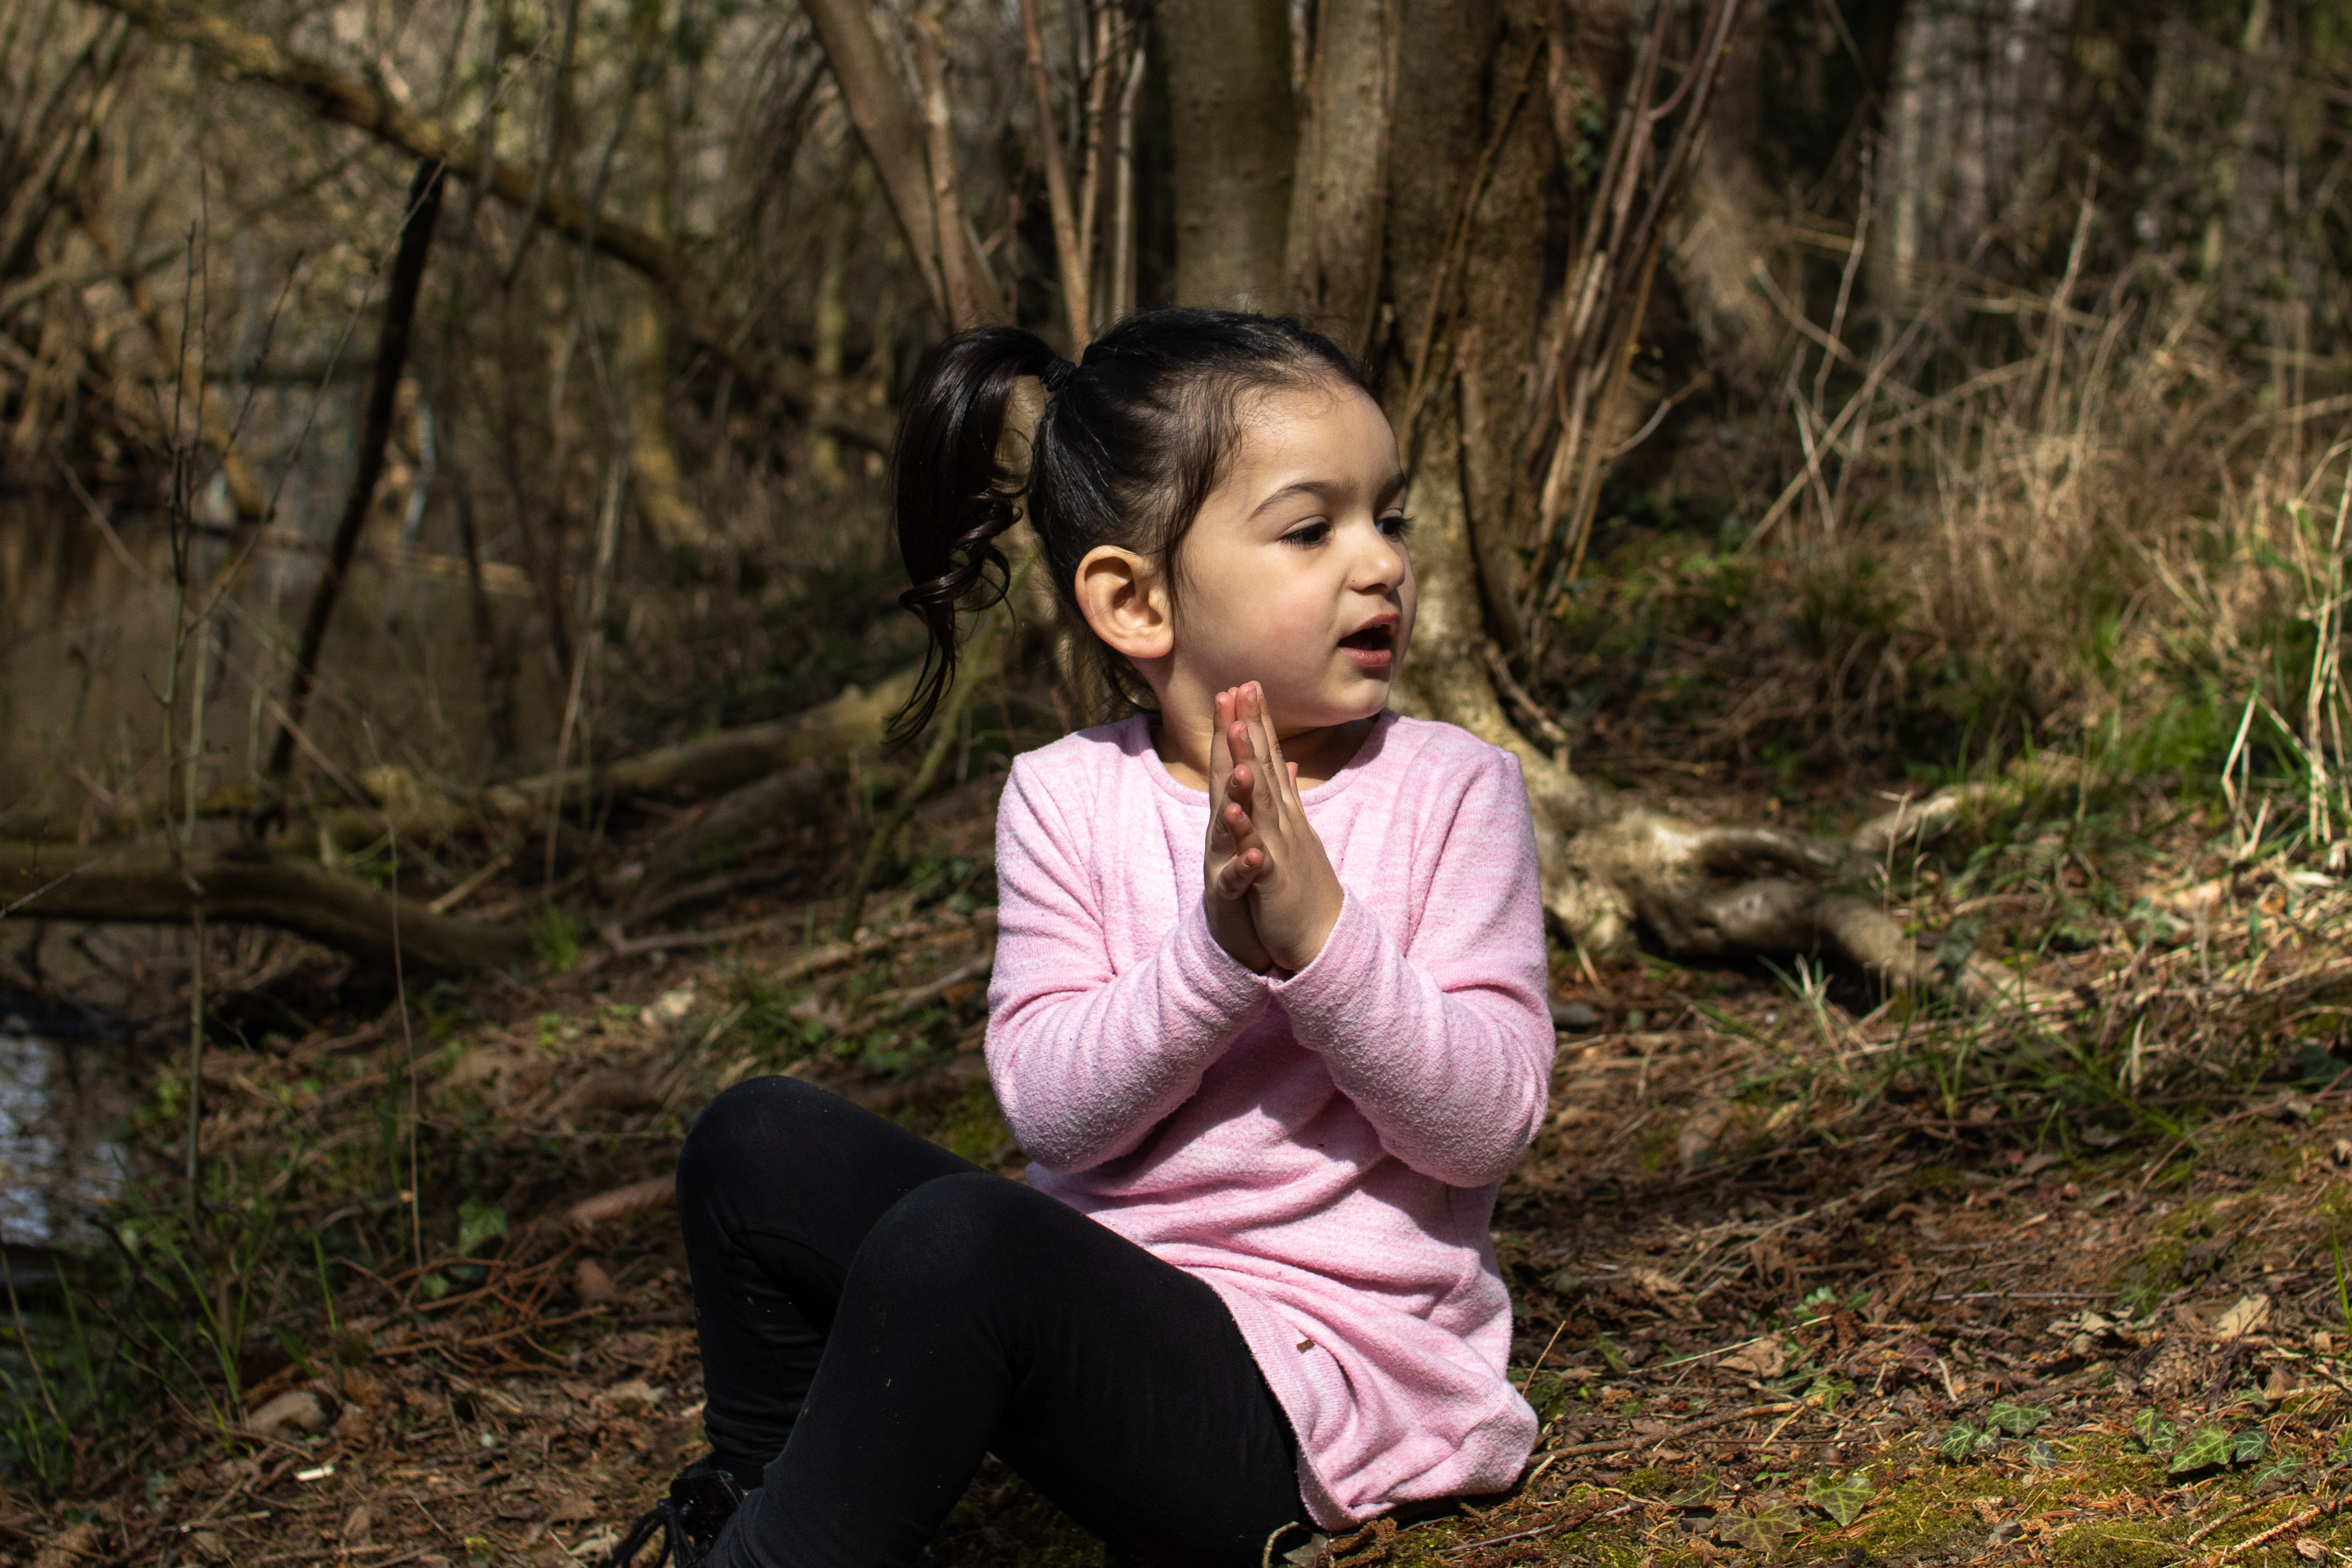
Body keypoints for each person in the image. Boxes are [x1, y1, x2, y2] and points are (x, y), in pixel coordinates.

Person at [614, 309, 1553, 1568]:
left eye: (1390, 517)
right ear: (1133, 599)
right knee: (753, 1140)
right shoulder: (1064, 795)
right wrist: (1216, 955)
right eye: (1310, 528)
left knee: (962, 1241)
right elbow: (1052, 1114)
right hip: (1096, 1325)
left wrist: (1318, 940)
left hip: (1311, 1393)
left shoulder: (1453, 790)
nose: (1379, 562)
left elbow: (1485, 1125)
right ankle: (754, 1500)